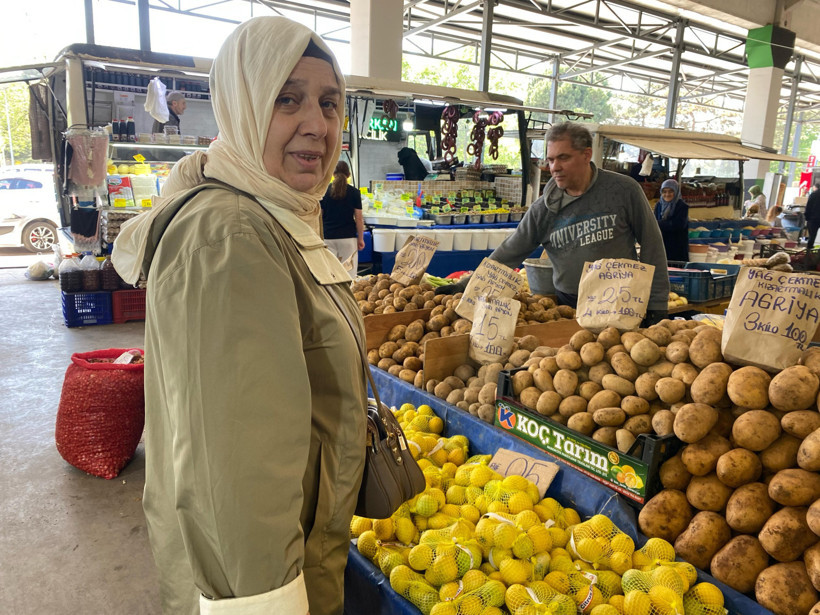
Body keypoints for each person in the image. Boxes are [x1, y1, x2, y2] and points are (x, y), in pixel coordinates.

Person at [112, 16, 365, 615]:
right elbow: (235, 480)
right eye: (287, 99)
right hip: (262, 584)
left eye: (330, 103)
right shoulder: (230, 235)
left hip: (298, 552)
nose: (317, 123)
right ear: (242, 105)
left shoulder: (275, 214)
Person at [437, 122, 670, 324]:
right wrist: (465, 285)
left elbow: (652, 244)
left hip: (620, 303)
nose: (554, 167)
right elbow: (508, 253)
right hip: (568, 307)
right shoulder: (543, 209)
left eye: (563, 158)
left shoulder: (623, 190)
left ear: (587, 154)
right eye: (550, 159)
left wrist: (657, 303)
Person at [321, 160, 364, 277]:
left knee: (330, 274)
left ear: (332, 173)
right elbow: (359, 219)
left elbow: (319, 216)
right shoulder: (355, 192)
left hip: (327, 237)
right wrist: (361, 239)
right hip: (348, 238)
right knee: (349, 273)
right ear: (349, 175)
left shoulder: (324, 191)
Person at [653, 178, 689, 262]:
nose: (667, 194)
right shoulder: (659, 205)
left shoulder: (681, 206)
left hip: (677, 247)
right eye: (664, 192)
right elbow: (654, 222)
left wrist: (657, 223)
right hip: (662, 245)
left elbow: (678, 225)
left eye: (670, 191)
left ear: (676, 192)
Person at [805, 182, 820, 251]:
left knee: (812, 237)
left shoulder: (814, 194)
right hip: (814, 218)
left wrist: (807, 217)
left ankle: (809, 253)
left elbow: (808, 206)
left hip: (813, 219)